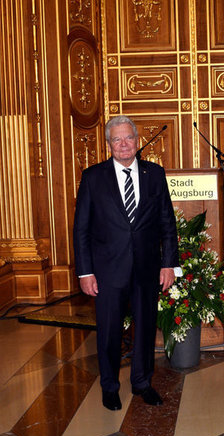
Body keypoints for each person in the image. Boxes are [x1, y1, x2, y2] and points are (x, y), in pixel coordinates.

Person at [73, 115, 178, 411]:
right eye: (116, 139)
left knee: (145, 329)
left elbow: (166, 222)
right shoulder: (93, 177)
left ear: (137, 141)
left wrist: (169, 264)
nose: (123, 144)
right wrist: (85, 271)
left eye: (128, 138)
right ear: (109, 144)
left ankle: (143, 383)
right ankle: (109, 386)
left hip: (147, 268)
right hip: (107, 271)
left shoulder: (154, 174)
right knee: (109, 331)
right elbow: (81, 228)